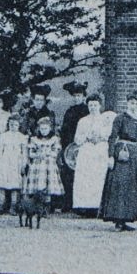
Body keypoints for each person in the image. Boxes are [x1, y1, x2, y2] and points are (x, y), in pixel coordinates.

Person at [100, 92, 137, 230]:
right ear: (127, 103)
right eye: (132, 103)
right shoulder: (120, 118)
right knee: (121, 186)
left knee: (135, 187)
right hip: (123, 154)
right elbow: (112, 137)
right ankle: (118, 220)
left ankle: (130, 218)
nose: (134, 106)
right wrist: (110, 156)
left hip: (136, 156)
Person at [71, 93, 113, 216]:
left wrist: (100, 136)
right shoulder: (83, 121)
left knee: (98, 178)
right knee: (86, 179)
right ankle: (84, 207)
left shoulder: (106, 120)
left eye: (95, 105)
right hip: (87, 150)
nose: (93, 107)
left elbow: (109, 135)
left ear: (100, 106)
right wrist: (86, 136)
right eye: (90, 105)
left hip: (100, 150)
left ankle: (98, 207)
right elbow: (77, 139)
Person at [21, 112, 64, 228]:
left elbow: (56, 152)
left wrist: (49, 153)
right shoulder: (34, 139)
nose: (44, 131)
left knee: (47, 188)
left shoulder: (54, 139)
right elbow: (31, 152)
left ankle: (46, 209)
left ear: (50, 128)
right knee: (37, 187)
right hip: (38, 165)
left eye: (46, 128)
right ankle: (36, 207)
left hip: (49, 164)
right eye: (42, 128)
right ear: (38, 129)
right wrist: (37, 155)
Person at [58, 80, 89, 211]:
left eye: (79, 96)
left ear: (83, 97)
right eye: (75, 96)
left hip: (82, 145)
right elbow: (64, 129)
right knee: (68, 174)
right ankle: (67, 202)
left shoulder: (87, 111)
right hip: (69, 145)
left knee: (81, 174)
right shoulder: (69, 111)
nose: (77, 98)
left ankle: (80, 204)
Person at [0, 104, 29, 215]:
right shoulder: (3, 136)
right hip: (4, 163)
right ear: (8, 124)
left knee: (15, 187)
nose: (13, 126)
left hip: (16, 163)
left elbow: (24, 152)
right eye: (11, 124)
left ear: (19, 125)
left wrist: (23, 164)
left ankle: (13, 207)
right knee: (2, 186)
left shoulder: (22, 137)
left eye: (16, 124)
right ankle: (1, 206)